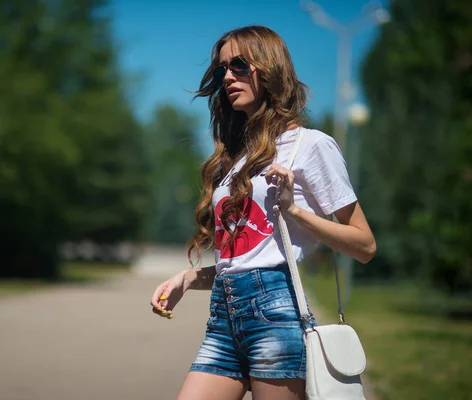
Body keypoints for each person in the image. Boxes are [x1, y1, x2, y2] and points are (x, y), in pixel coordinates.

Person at [150, 25, 376, 400]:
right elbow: (245, 257)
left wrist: (295, 211)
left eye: (239, 65)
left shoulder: (311, 146)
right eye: (222, 69)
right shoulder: (237, 160)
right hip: (224, 316)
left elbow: (364, 245)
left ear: (269, 68)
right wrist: (188, 279)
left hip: (276, 315)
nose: (227, 77)